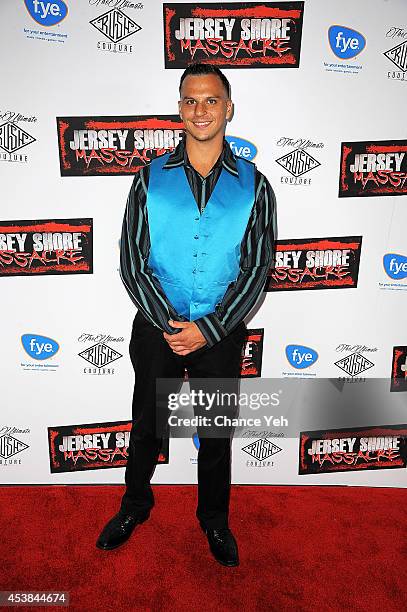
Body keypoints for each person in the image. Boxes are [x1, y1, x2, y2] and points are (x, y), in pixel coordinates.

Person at [96, 63, 277, 567]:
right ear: (180, 108)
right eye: (191, 100)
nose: (201, 110)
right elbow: (131, 260)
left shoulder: (254, 186)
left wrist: (210, 330)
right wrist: (171, 326)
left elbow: (259, 266)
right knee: (147, 423)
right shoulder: (149, 179)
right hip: (158, 327)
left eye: (211, 100)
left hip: (219, 333)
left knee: (215, 432)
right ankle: (134, 506)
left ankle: (214, 521)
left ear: (228, 108)